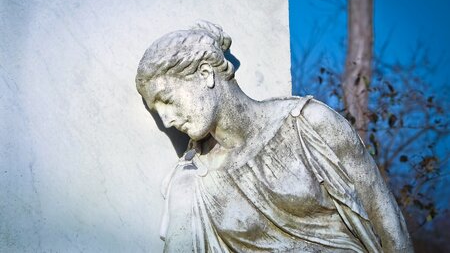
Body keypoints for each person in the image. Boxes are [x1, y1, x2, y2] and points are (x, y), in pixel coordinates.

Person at [135, 21, 413, 252]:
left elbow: (388, 224)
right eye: (156, 110)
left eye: (167, 100)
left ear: (206, 74)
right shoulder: (192, 183)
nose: (166, 119)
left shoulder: (310, 125)